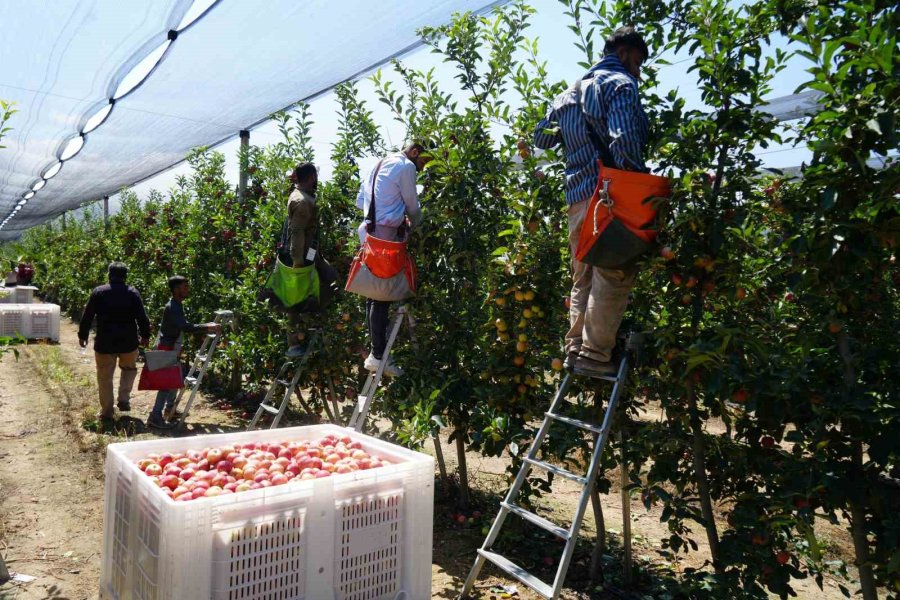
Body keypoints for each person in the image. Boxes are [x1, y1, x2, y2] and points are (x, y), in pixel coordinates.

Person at [533, 26, 650, 378]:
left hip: (577, 197)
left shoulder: (566, 95)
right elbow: (625, 140)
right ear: (628, 53)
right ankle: (595, 354)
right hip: (611, 195)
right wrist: (637, 190)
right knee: (613, 271)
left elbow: (541, 136)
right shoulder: (620, 85)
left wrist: (572, 136)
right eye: (639, 62)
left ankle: (574, 347)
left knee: (583, 274)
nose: (638, 70)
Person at [355, 141, 430, 377]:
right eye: (424, 162)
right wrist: (419, 224)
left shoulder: (379, 163)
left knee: (373, 294)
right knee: (382, 296)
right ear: (415, 152)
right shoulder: (406, 166)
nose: (422, 168)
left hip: (369, 233)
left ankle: (375, 354)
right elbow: (412, 204)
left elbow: (360, 200)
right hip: (386, 237)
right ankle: (378, 355)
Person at [78, 262, 151, 420]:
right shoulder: (132, 293)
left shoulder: (99, 292)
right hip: (128, 342)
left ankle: (107, 412)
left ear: (109, 275)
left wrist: (82, 335)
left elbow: (88, 315)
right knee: (129, 370)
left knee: (105, 377)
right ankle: (123, 399)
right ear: (125, 276)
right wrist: (146, 335)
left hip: (105, 342)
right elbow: (142, 317)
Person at [147, 275, 221, 428]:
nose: (187, 289)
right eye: (184, 287)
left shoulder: (177, 304)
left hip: (171, 346)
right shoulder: (173, 307)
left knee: (174, 381)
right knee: (166, 384)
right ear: (176, 289)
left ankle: (170, 409)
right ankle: (155, 416)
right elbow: (185, 327)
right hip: (166, 347)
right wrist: (207, 327)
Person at [284, 161, 337, 357]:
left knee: (329, 281)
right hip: (303, 257)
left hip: (311, 254)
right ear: (312, 176)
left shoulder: (304, 197)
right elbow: (296, 232)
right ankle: (296, 343)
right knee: (297, 298)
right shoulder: (302, 201)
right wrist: (298, 263)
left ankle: (315, 329)